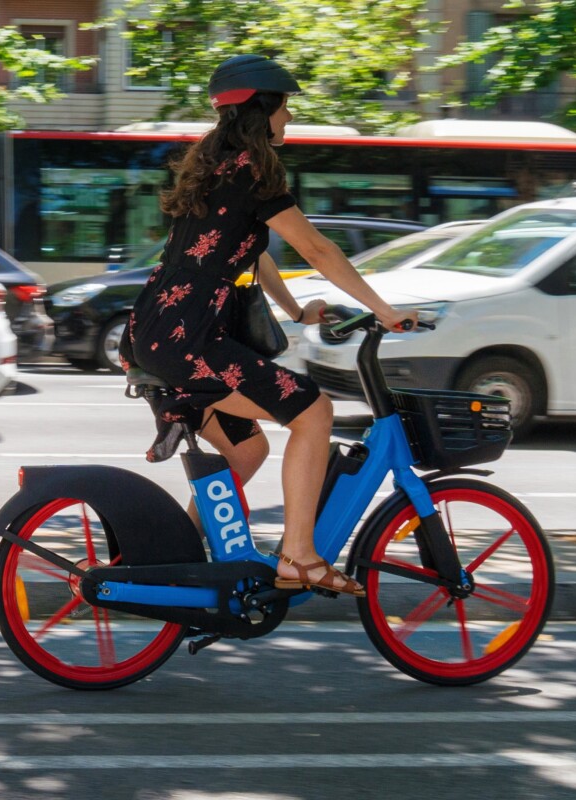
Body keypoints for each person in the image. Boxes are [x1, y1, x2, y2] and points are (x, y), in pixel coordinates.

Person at [118, 54, 418, 597]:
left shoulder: (214, 165)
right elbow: (316, 247)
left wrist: (297, 311)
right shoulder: (254, 170)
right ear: (262, 108)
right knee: (313, 411)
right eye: (284, 106)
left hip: (156, 331)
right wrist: (384, 308)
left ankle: (171, 560)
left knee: (248, 451)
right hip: (191, 340)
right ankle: (299, 557)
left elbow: (255, 256)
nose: (288, 117)